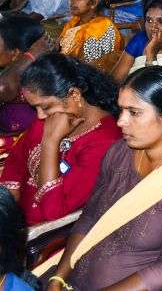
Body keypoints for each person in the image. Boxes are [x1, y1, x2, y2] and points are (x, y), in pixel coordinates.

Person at [40, 66, 162, 290]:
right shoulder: (119, 152)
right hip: (69, 280)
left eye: (134, 112)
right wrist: (58, 278)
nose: (120, 121)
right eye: (121, 110)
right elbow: (90, 217)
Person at [0, 53, 120, 227]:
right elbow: (16, 162)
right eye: (35, 108)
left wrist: (50, 142)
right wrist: (6, 210)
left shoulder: (105, 142)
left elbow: (53, 213)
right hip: (14, 221)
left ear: (74, 94)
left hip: (49, 235)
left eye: (45, 106)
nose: (40, 116)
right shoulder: (48, 119)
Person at [0, 16, 45, 151]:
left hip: (18, 144)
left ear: (16, 54)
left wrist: (31, 56)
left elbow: (3, 88)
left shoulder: (33, 81)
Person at [59, 0, 123, 72]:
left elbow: (91, 67)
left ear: (94, 3)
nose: (72, 0)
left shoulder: (102, 27)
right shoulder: (75, 20)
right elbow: (61, 47)